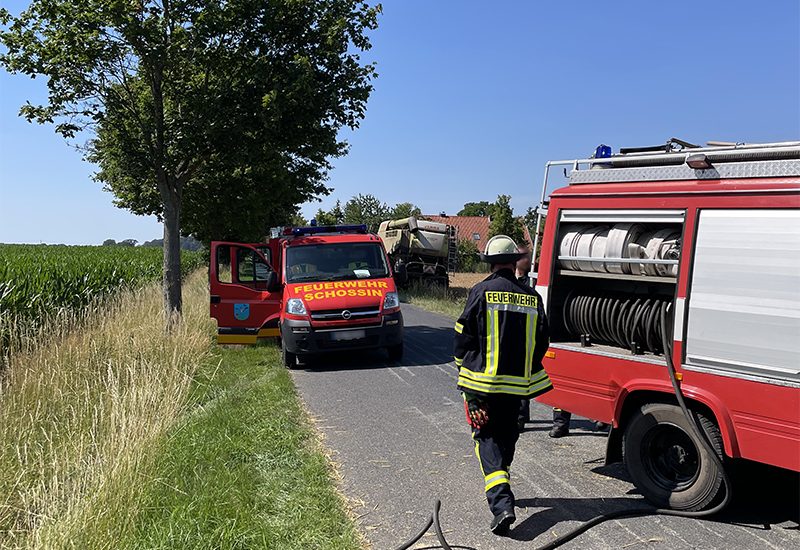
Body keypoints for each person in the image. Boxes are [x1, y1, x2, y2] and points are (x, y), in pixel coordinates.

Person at [454, 235, 552, 536]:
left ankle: (501, 505)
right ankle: (502, 483)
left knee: (486, 440)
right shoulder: (532, 297)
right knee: (507, 438)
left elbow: (463, 336)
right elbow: (543, 341)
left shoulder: (481, 291)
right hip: (517, 389)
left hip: (483, 386)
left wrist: (464, 378)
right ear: (513, 261)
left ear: (491, 263)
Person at [514, 246, 533, 430]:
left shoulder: (532, 281)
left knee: (524, 377)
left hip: (527, 334)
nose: (527, 259)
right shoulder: (510, 281)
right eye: (524, 256)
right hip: (513, 333)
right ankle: (520, 414)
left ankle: (521, 415)